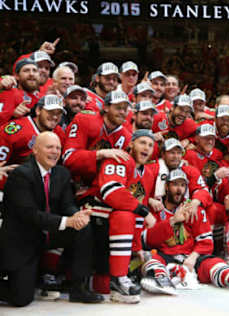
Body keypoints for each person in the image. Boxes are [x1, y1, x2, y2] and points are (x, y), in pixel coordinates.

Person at [0, 132, 103, 306]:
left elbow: (67, 204)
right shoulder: (21, 175)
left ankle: (79, 288)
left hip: (47, 233)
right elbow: (30, 215)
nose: (55, 151)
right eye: (49, 147)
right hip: (23, 240)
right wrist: (67, 222)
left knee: (83, 228)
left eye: (58, 148)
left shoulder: (61, 173)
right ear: (35, 150)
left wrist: (76, 216)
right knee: (21, 299)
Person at [142, 168, 229, 293]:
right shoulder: (156, 208)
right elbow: (147, 240)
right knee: (152, 260)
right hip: (165, 255)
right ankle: (160, 280)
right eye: (175, 184)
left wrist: (193, 257)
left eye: (183, 185)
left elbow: (206, 242)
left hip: (190, 257)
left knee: (212, 262)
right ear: (166, 186)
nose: (179, 189)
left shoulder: (194, 209)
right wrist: (173, 220)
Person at [83, 129, 157, 303]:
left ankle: (116, 279)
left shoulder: (148, 174)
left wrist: (137, 246)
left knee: (103, 285)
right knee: (125, 215)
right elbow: (111, 192)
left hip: (120, 228)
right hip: (96, 219)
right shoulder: (119, 158)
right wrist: (144, 211)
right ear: (131, 144)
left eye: (150, 145)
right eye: (142, 142)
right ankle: (117, 278)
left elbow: (139, 213)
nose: (146, 147)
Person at [63, 90, 132, 197]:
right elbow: (69, 159)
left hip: (97, 189)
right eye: (118, 108)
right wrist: (100, 154)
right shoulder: (85, 120)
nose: (122, 112)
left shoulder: (127, 137)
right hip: (70, 182)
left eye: (125, 108)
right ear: (106, 107)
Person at [0, 95, 66, 166]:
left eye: (59, 113)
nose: (55, 117)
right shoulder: (16, 129)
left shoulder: (59, 133)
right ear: (38, 110)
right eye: (50, 112)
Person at [0, 58, 42, 124]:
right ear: (17, 76)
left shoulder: (43, 97)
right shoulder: (10, 93)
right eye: (26, 70)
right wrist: (12, 115)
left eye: (35, 70)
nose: (31, 74)